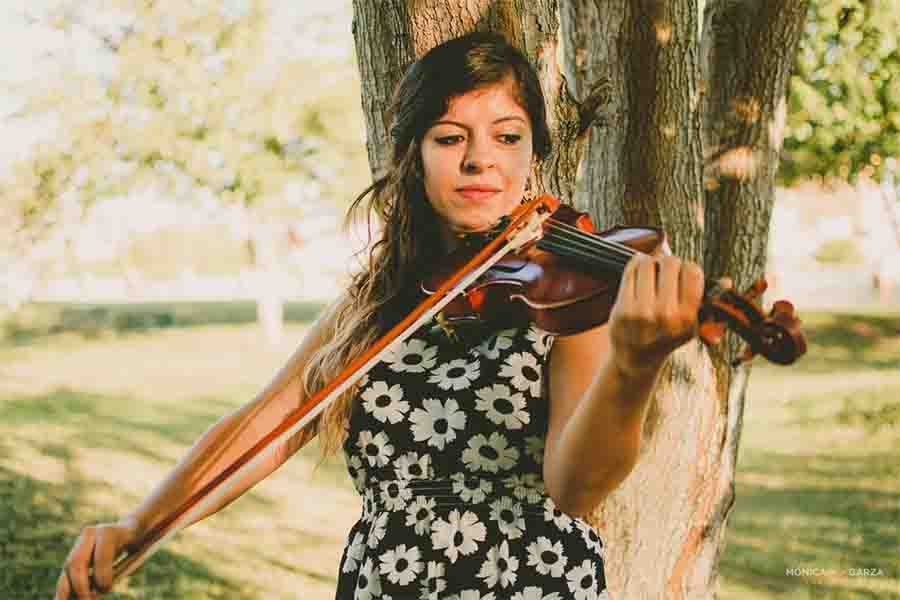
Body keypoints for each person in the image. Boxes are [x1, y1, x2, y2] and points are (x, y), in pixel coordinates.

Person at [56, 31, 704, 600]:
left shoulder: (568, 296)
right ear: (413, 155)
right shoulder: (379, 298)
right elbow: (261, 426)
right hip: (388, 578)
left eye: (508, 136)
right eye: (451, 137)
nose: (482, 159)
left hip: (523, 578)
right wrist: (138, 526)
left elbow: (576, 487)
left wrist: (633, 366)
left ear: (533, 152)